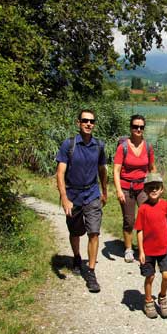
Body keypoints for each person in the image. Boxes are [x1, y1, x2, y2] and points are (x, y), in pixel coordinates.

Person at [55, 109, 108, 293]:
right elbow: (60, 173)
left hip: (92, 194)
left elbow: (102, 170)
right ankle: (77, 257)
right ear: (78, 122)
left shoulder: (99, 146)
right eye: (85, 120)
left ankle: (91, 272)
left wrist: (104, 191)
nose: (88, 124)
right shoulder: (69, 145)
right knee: (75, 232)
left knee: (94, 232)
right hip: (73, 195)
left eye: (92, 121)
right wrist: (64, 198)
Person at [113, 114, 156, 263]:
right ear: (130, 128)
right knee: (129, 220)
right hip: (126, 187)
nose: (138, 129)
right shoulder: (123, 147)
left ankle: (145, 248)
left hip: (143, 188)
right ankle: (129, 249)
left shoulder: (148, 146)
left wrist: (155, 186)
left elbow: (152, 168)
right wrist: (119, 190)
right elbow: (116, 170)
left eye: (141, 127)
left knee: (147, 217)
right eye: (135, 126)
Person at [135, 172, 167, 319]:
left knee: (166, 275)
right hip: (148, 251)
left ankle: (162, 297)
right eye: (150, 187)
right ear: (145, 190)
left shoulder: (166, 206)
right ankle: (148, 301)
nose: (153, 190)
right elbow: (139, 230)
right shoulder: (143, 209)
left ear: (161, 189)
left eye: (156, 187)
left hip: (163, 249)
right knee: (150, 277)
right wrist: (141, 251)